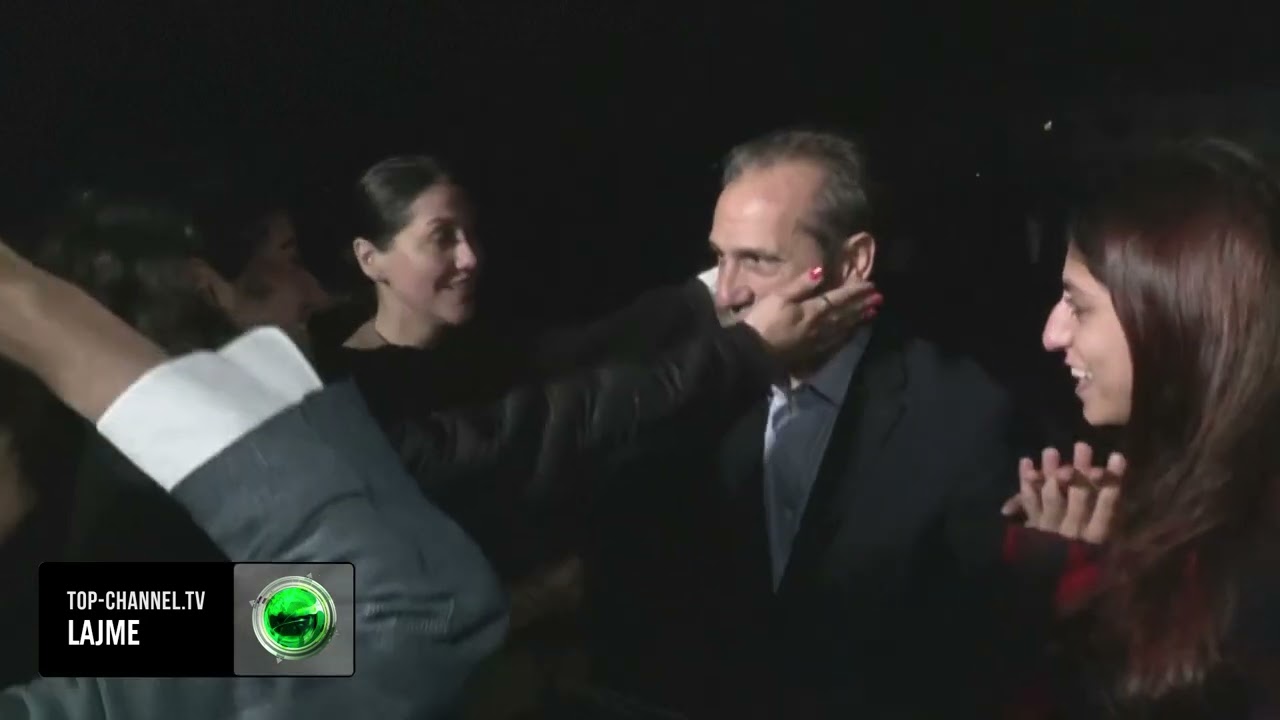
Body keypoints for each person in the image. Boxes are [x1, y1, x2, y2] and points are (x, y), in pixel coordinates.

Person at [580, 128, 1020, 719]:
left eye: (759, 261)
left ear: (853, 261)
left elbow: (965, 657)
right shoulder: (694, 391)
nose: (726, 294)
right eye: (719, 258)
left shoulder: (961, 415)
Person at [0, 236, 507, 718]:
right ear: (207, 288)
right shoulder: (108, 562)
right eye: (289, 256)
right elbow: (374, 625)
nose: (315, 293)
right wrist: (35, 312)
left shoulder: (67, 615)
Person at [1000, 138, 1280, 718]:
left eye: (1078, 305)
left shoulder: (1252, 568)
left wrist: (1065, 589)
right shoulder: (1194, 489)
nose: (1052, 334)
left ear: (1177, 312)